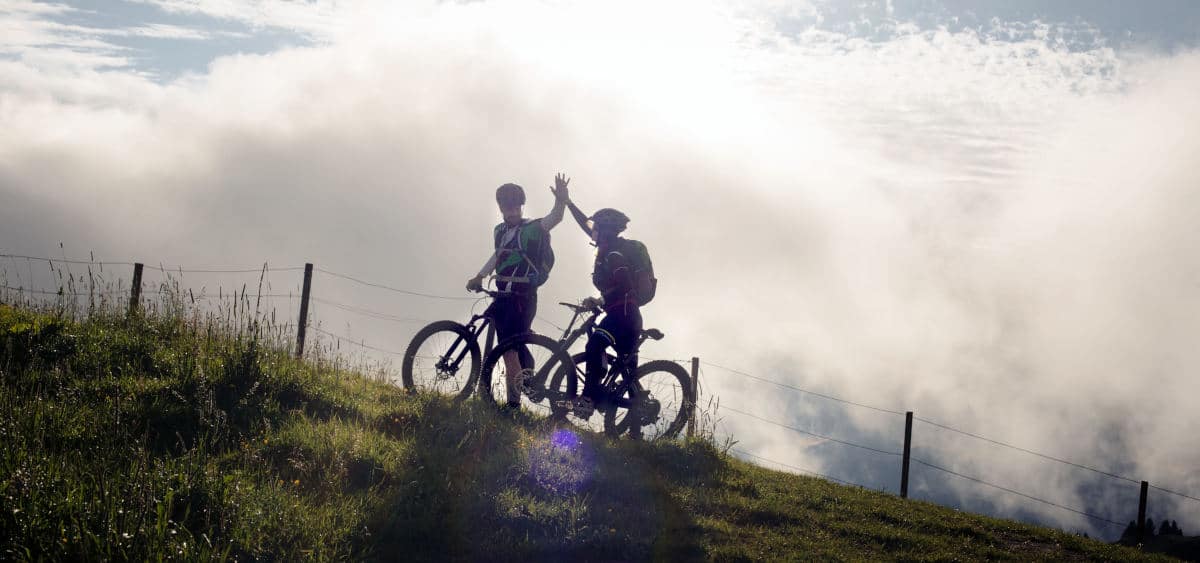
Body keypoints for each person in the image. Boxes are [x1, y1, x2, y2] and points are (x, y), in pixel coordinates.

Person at [467, 173, 569, 408]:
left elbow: (554, 218)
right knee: (498, 332)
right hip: (503, 294)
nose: (511, 212)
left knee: (508, 348)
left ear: (521, 207)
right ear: (501, 209)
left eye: (515, 207)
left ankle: (513, 405)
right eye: (506, 208)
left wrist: (561, 201)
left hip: (523, 296)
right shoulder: (500, 231)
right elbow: (497, 255)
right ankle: (526, 378)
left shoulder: (533, 228)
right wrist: (479, 276)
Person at [563, 200, 647, 418]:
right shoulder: (608, 248)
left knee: (595, 345)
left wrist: (599, 301)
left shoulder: (613, 255)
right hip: (625, 315)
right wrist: (568, 202)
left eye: (597, 230)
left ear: (605, 233)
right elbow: (586, 225)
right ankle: (629, 429)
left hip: (623, 316)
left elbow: (625, 285)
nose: (592, 233)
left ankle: (588, 399)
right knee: (628, 374)